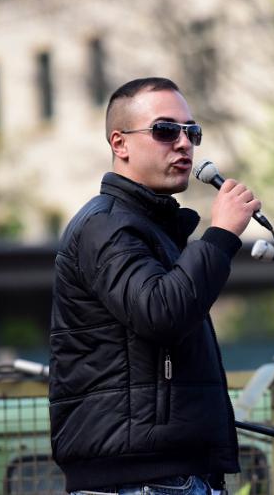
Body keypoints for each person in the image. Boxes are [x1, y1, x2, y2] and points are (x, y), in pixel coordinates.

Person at [49, 77, 259, 494]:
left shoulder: (150, 228)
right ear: (120, 143)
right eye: (165, 130)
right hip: (139, 480)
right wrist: (220, 235)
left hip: (166, 474)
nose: (183, 143)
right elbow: (161, 312)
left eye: (191, 131)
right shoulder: (105, 225)